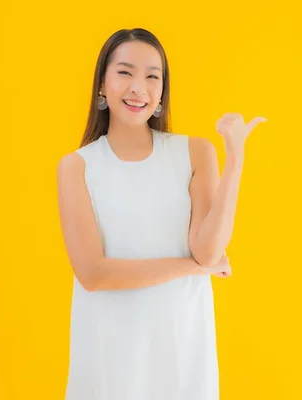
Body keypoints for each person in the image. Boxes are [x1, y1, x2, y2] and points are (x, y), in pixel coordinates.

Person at [56, 28, 266, 400]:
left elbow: (207, 250)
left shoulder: (196, 153)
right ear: (102, 85)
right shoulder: (78, 167)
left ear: (162, 92)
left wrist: (235, 159)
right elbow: (93, 273)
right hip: (109, 351)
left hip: (181, 343)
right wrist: (193, 268)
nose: (139, 87)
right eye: (125, 72)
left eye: (153, 76)